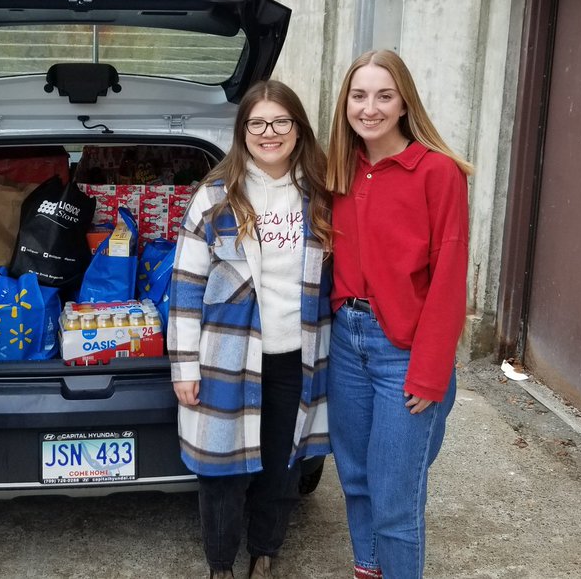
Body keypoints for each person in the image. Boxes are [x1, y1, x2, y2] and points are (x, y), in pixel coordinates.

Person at [168, 79, 333, 579]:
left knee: (281, 468)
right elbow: (186, 287)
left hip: (295, 356)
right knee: (222, 470)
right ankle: (220, 565)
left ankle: (265, 553)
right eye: (257, 123)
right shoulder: (216, 196)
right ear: (243, 132)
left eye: (280, 121)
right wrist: (184, 365)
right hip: (228, 356)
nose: (269, 133)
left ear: (298, 130)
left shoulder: (320, 195)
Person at [324, 50, 472, 579]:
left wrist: (431, 372)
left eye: (384, 95)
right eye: (359, 96)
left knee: (394, 498)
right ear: (345, 104)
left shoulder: (438, 173)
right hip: (346, 342)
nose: (370, 108)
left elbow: (450, 279)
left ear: (404, 101)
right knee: (356, 479)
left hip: (403, 352)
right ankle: (369, 570)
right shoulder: (337, 171)